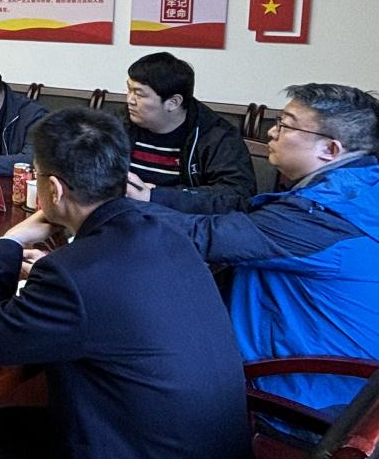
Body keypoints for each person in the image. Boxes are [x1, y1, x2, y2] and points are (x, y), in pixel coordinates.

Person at [0, 108, 255, 459]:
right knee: (9, 424)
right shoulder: (167, 234)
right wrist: (63, 268)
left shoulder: (72, 275)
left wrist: (8, 244)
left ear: (54, 189)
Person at [134, 83, 379, 415]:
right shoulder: (360, 190)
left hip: (306, 398)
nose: (271, 132)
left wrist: (104, 206)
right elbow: (244, 212)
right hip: (346, 384)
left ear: (330, 149)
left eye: (286, 125)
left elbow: (206, 236)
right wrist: (151, 197)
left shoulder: (324, 215)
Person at [122, 51, 256, 207]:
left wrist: (156, 195)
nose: (130, 100)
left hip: (181, 219)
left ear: (173, 102)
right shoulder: (119, 124)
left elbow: (238, 194)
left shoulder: (217, 136)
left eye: (139, 94)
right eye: (129, 90)